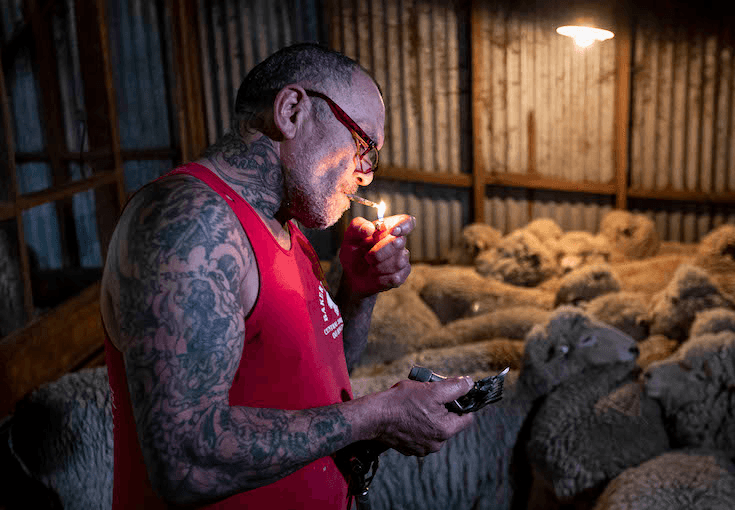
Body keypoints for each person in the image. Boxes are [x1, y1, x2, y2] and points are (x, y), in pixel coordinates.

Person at [99, 43, 476, 509]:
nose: (366, 176)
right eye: (363, 145)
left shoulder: (286, 228)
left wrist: (357, 291)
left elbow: (319, 374)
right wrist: (376, 416)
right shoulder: (191, 223)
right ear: (292, 110)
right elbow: (186, 461)